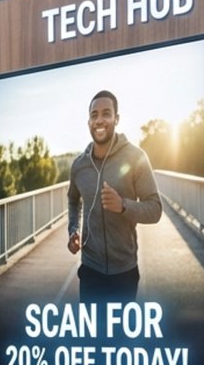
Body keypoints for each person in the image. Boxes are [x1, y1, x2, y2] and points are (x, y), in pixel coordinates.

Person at [65, 89, 164, 303]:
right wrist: (73, 229)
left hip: (124, 273)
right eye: (94, 115)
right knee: (91, 336)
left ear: (116, 119)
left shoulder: (136, 157)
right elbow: (73, 200)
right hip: (90, 270)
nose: (99, 120)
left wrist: (123, 206)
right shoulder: (79, 165)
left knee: (119, 337)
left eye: (106, 113)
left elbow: (155, 209)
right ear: (88, 122)